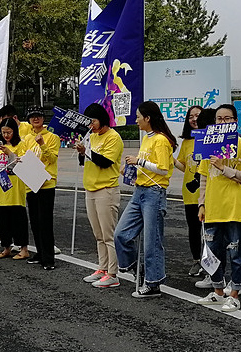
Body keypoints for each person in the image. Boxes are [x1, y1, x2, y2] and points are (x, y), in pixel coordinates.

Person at [195, 104, 241, 312]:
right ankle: (218, 292)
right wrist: (201, 204)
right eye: (219, 119)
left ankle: (235, 293)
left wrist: (224, 167)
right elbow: (204, 177)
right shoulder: (207, 144)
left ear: (235, 121)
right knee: (212, 253)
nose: (223, 122)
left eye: (227, 119)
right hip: (213, 208)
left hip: (235, 209)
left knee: (236, 253)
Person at [113, 101, 176, 299]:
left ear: (148, 118)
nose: (136, 120)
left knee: (152, 241)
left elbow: (163, 169)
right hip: (139, 192)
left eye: (139, 116)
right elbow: (147, 167)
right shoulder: (147, 138)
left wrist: (139, 161)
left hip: (154, 194)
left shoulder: (161, 140)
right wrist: (130, 169)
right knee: (121, 234)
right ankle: (137, 269)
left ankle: (153, 282)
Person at [74, 103, 124, 288]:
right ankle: (102, 268)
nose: (91, 125)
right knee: (98, 234)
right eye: (89, 122)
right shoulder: (90, 136)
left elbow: (104, 161)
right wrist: (81, 151)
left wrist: (86, 151)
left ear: (102, 119)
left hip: (106, 189)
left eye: (93, 121)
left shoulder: (113, 137)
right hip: (91, 188)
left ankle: (113, 273)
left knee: (108, 234)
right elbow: (84, 161)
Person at [174, 106, 217, 286]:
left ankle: (212, 266)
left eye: (197, 116)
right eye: (190, 116)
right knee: (193, 228)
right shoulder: (187, 141)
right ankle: (196, 261)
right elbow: (184, 166)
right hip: (190, 192)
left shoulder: (212, 139)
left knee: (210, 232)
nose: (194, 119)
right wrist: (172, 160)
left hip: (207, 191)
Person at [18, 107, 61, 269]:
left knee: (45, 221)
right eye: (32, 117)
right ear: (28, 120)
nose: (35, 119)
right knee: (35, 221)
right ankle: (40, 253)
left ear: (43, 119)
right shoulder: (27, 139)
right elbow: (23, 158)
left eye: (38, 116)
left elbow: (52, 158)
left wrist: (42, 144)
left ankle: (49, 258)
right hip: (31, 183)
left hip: (46, 183)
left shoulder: (52, 137)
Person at [0, 117, 29, 259]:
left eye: (9, 132)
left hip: (15, 187)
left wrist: (9, 154)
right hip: (1, 187)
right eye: (3, 132)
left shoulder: (21, 145)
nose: (6, 135)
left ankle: (23, 248)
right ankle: (6, 247)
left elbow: (21, 165)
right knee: (3, 219)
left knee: (18, 218)